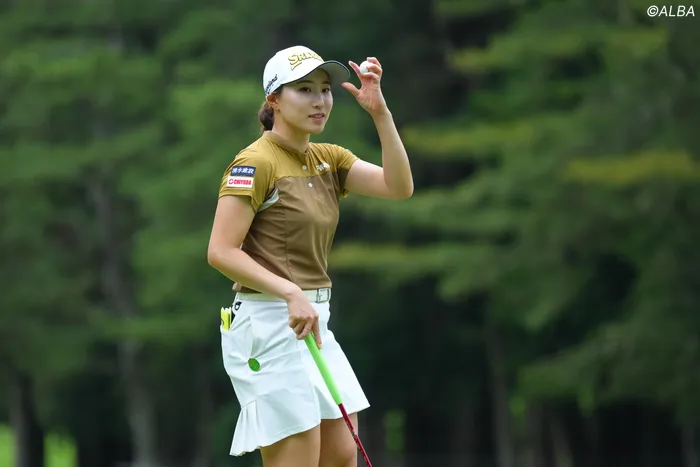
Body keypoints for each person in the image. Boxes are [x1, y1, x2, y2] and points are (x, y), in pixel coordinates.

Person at [207, 45, 413, 467]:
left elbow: (398, 187)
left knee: (339, 455)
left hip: (314, 320)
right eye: (304, 90)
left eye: (324, 89)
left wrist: (380, 114)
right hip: (267, 323)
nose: (319, 100)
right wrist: (289, 292)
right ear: (274, 100)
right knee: (299, 457)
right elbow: (220, 251)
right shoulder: (254, 163)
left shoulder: (327, 158)